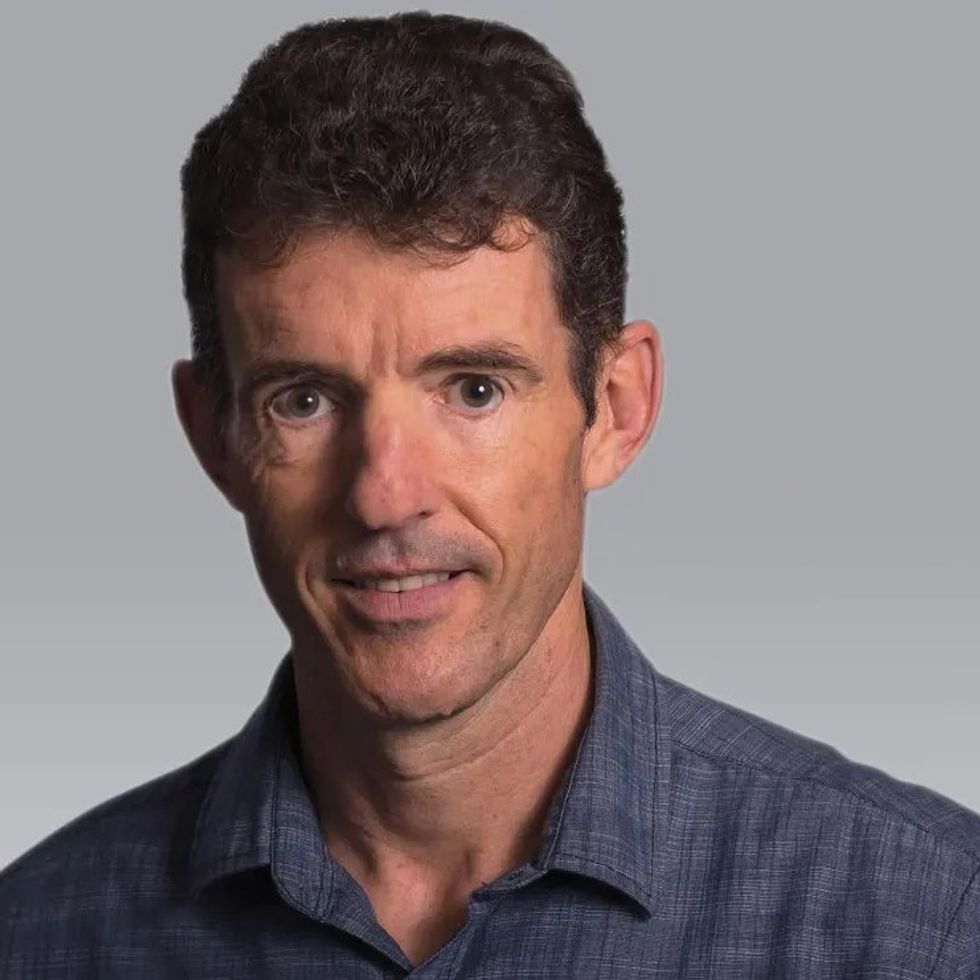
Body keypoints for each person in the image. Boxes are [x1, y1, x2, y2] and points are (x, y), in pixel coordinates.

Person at [1, 11, 977, 978]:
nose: (385, 496)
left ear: (614, 408)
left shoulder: (918, 923)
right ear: (213, 433)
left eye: (474, 388)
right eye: (303, 398)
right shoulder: (38, 936)